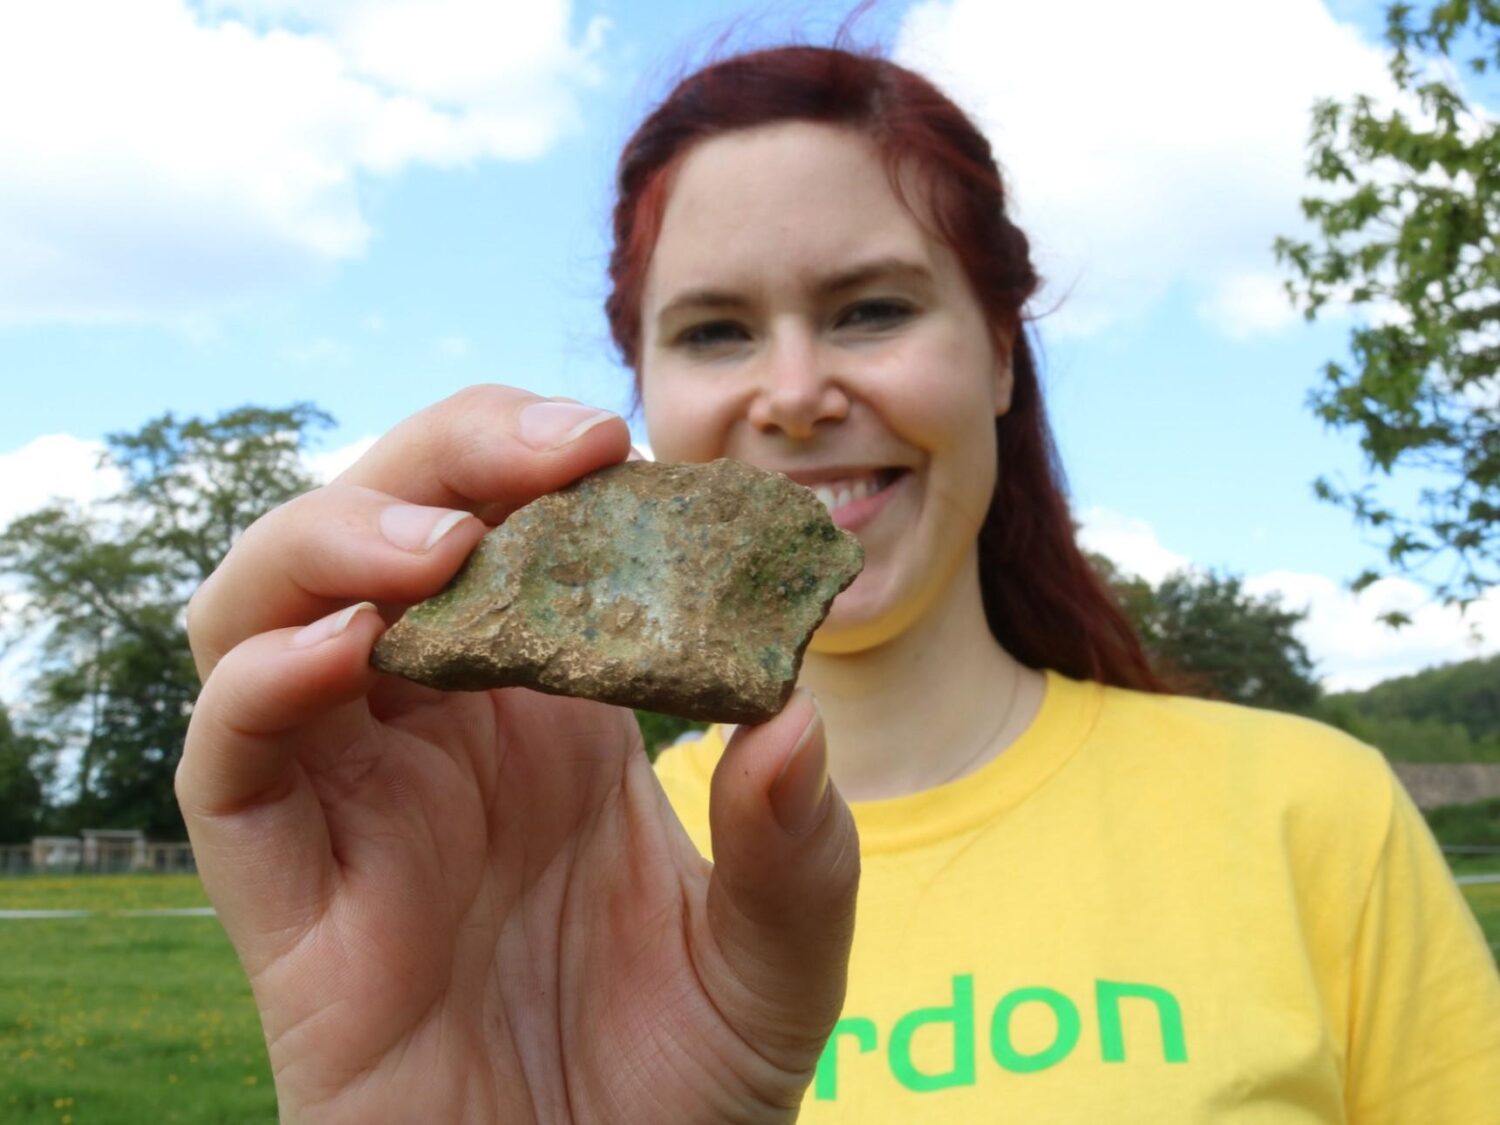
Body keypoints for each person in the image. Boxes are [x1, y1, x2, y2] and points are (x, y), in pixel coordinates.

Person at [177, 43, 1500, 1124]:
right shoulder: (532, 880)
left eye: (871, 307)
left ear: (998, 355)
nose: (798, 393)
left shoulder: (1317, 815)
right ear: (639, 387)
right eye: (716, 330)